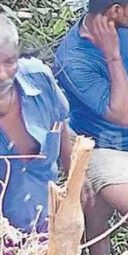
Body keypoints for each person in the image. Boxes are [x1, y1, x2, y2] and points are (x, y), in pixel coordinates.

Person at [53, 1, 128, 255]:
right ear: (114, 10)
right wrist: (112, 56)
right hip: (102, 147)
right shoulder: (73, 60)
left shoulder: (123, 29)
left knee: (98, 214)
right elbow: (123, 114)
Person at [0, 14, 71, 234]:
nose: (2, 75)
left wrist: (75, 182)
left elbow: (61, 124)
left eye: (9, 62)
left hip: (48, 224)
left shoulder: (39, 78)